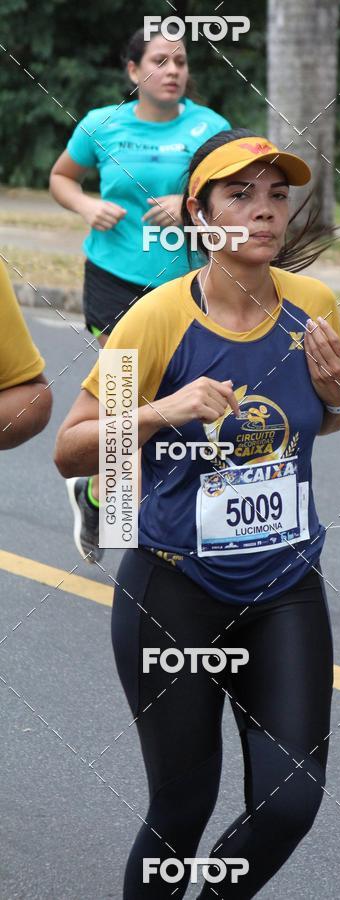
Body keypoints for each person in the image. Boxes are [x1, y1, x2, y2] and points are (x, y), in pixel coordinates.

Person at [53, 129, 340, 898]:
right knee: (181, 808)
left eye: (276, 196)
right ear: (199, 214)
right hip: (174, 594)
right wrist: (164, 410)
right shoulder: (156, 321)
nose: (263, 212)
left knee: (291, 802)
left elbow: (322, 418)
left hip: (284, 588)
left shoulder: (313, 308)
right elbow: (73, 450)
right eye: (239, 195)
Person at [49, 26, 230, 561]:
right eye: (160, 61)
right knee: (130, 398)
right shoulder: (101, 124)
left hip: (185, 284)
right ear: (134, 72)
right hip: (115, 276)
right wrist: (86, 207)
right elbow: (62, 177)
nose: (173, 70)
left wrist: (189, 199)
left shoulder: (208, 127)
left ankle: (103, 494)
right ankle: (110, 500)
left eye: (180, 61)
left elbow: (230, 191)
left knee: (173, 395)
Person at [0, 260, 52, 450]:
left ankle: (110, 476)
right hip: (112, 275)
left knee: (124, 380)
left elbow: (33, 394)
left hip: (140, 283)